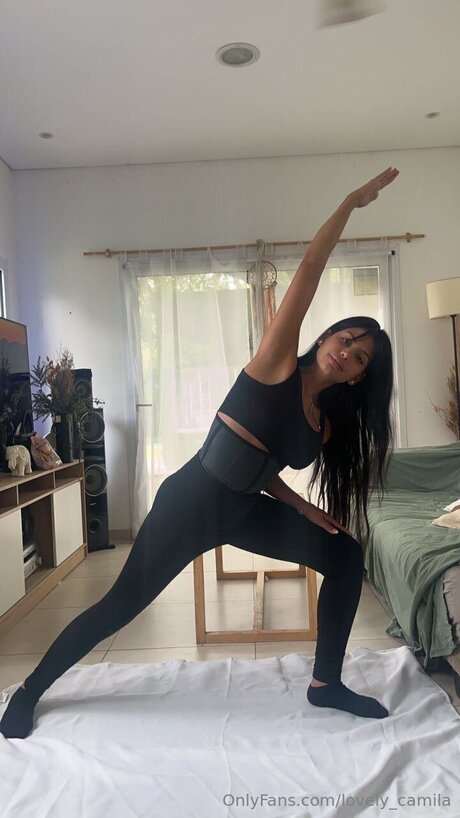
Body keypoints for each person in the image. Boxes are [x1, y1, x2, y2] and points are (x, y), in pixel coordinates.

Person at [0, 167, 399, 739]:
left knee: (345, 556)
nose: (348, 351)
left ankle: (326, 683)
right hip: (190, 503)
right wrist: (351, 203)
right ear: (326, 336)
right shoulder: (277, 362)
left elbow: (264, 465)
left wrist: (305, 509)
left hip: (244, 509)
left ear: (360, 377)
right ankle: (31, 691)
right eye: (347, 337)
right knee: (119, 606)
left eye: (360, 356)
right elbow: (312, 266)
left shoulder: (325, 423)